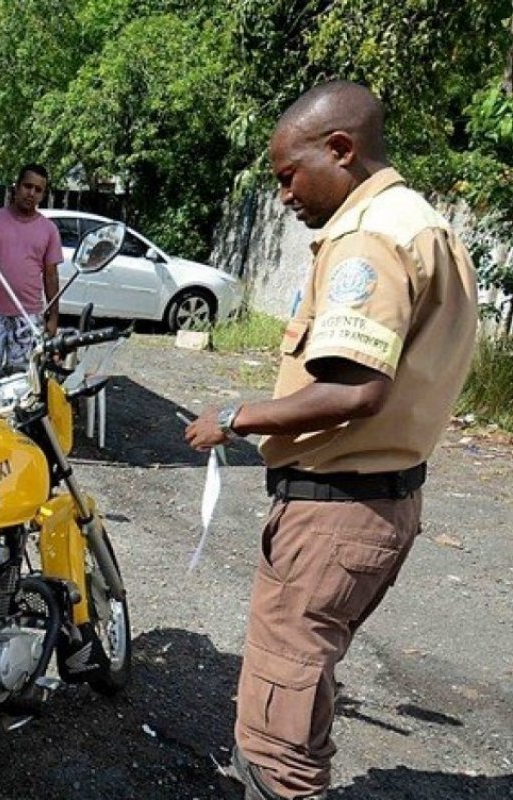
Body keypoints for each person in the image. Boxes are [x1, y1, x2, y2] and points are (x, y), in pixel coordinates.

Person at [185, 81, 477, 800]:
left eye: (289, 175)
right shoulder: (419, 221)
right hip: (377, 501)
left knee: (275, 733)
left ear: (341, 150)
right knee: (305, 677)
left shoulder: (368, 236)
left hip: (336, 513)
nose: (284, 195)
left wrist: (233, 416)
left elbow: (355, 388)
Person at [0, 163, 63, 383]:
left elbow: (51, 275)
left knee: (23, 381)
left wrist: (53, 317)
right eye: (28, 186)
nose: (31, 193)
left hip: (28, 316)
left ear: (43, 194)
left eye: (38, 190)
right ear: (16, 187)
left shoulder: (49, 230)